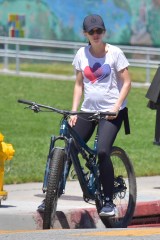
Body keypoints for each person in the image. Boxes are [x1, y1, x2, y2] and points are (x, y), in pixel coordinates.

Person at [69, 14, 131, 217]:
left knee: (103, 152)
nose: (96, 35)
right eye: (91, 31)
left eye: (99, 31)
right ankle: (52, 193)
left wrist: (116, 106)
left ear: (103, 32)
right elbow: (79, 85)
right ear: (85, 33)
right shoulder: (81, 54)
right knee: (70, 145)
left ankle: (108, 201)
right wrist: (74, 110)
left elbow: (127, 83)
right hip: (88, 110)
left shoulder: (115, 53)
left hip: (112, 113)